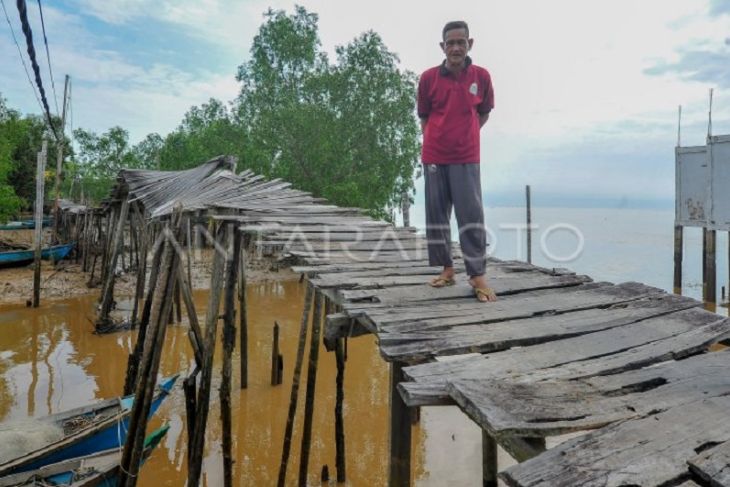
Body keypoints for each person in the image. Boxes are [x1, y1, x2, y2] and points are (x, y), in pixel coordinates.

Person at [417, 20, 496, 302]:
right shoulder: (428, 78)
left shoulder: (481, 77)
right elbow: (424, 116)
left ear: (469, 44)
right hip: (435, 156)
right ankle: (447, 269)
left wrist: (466, 136)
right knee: (437, 216)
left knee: (471, 215)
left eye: (460, 42)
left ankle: (477, 275)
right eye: (450, 43)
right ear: (442, 46)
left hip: (467, 157)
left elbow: (484, 113)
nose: (455, 47)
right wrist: (435, 140)